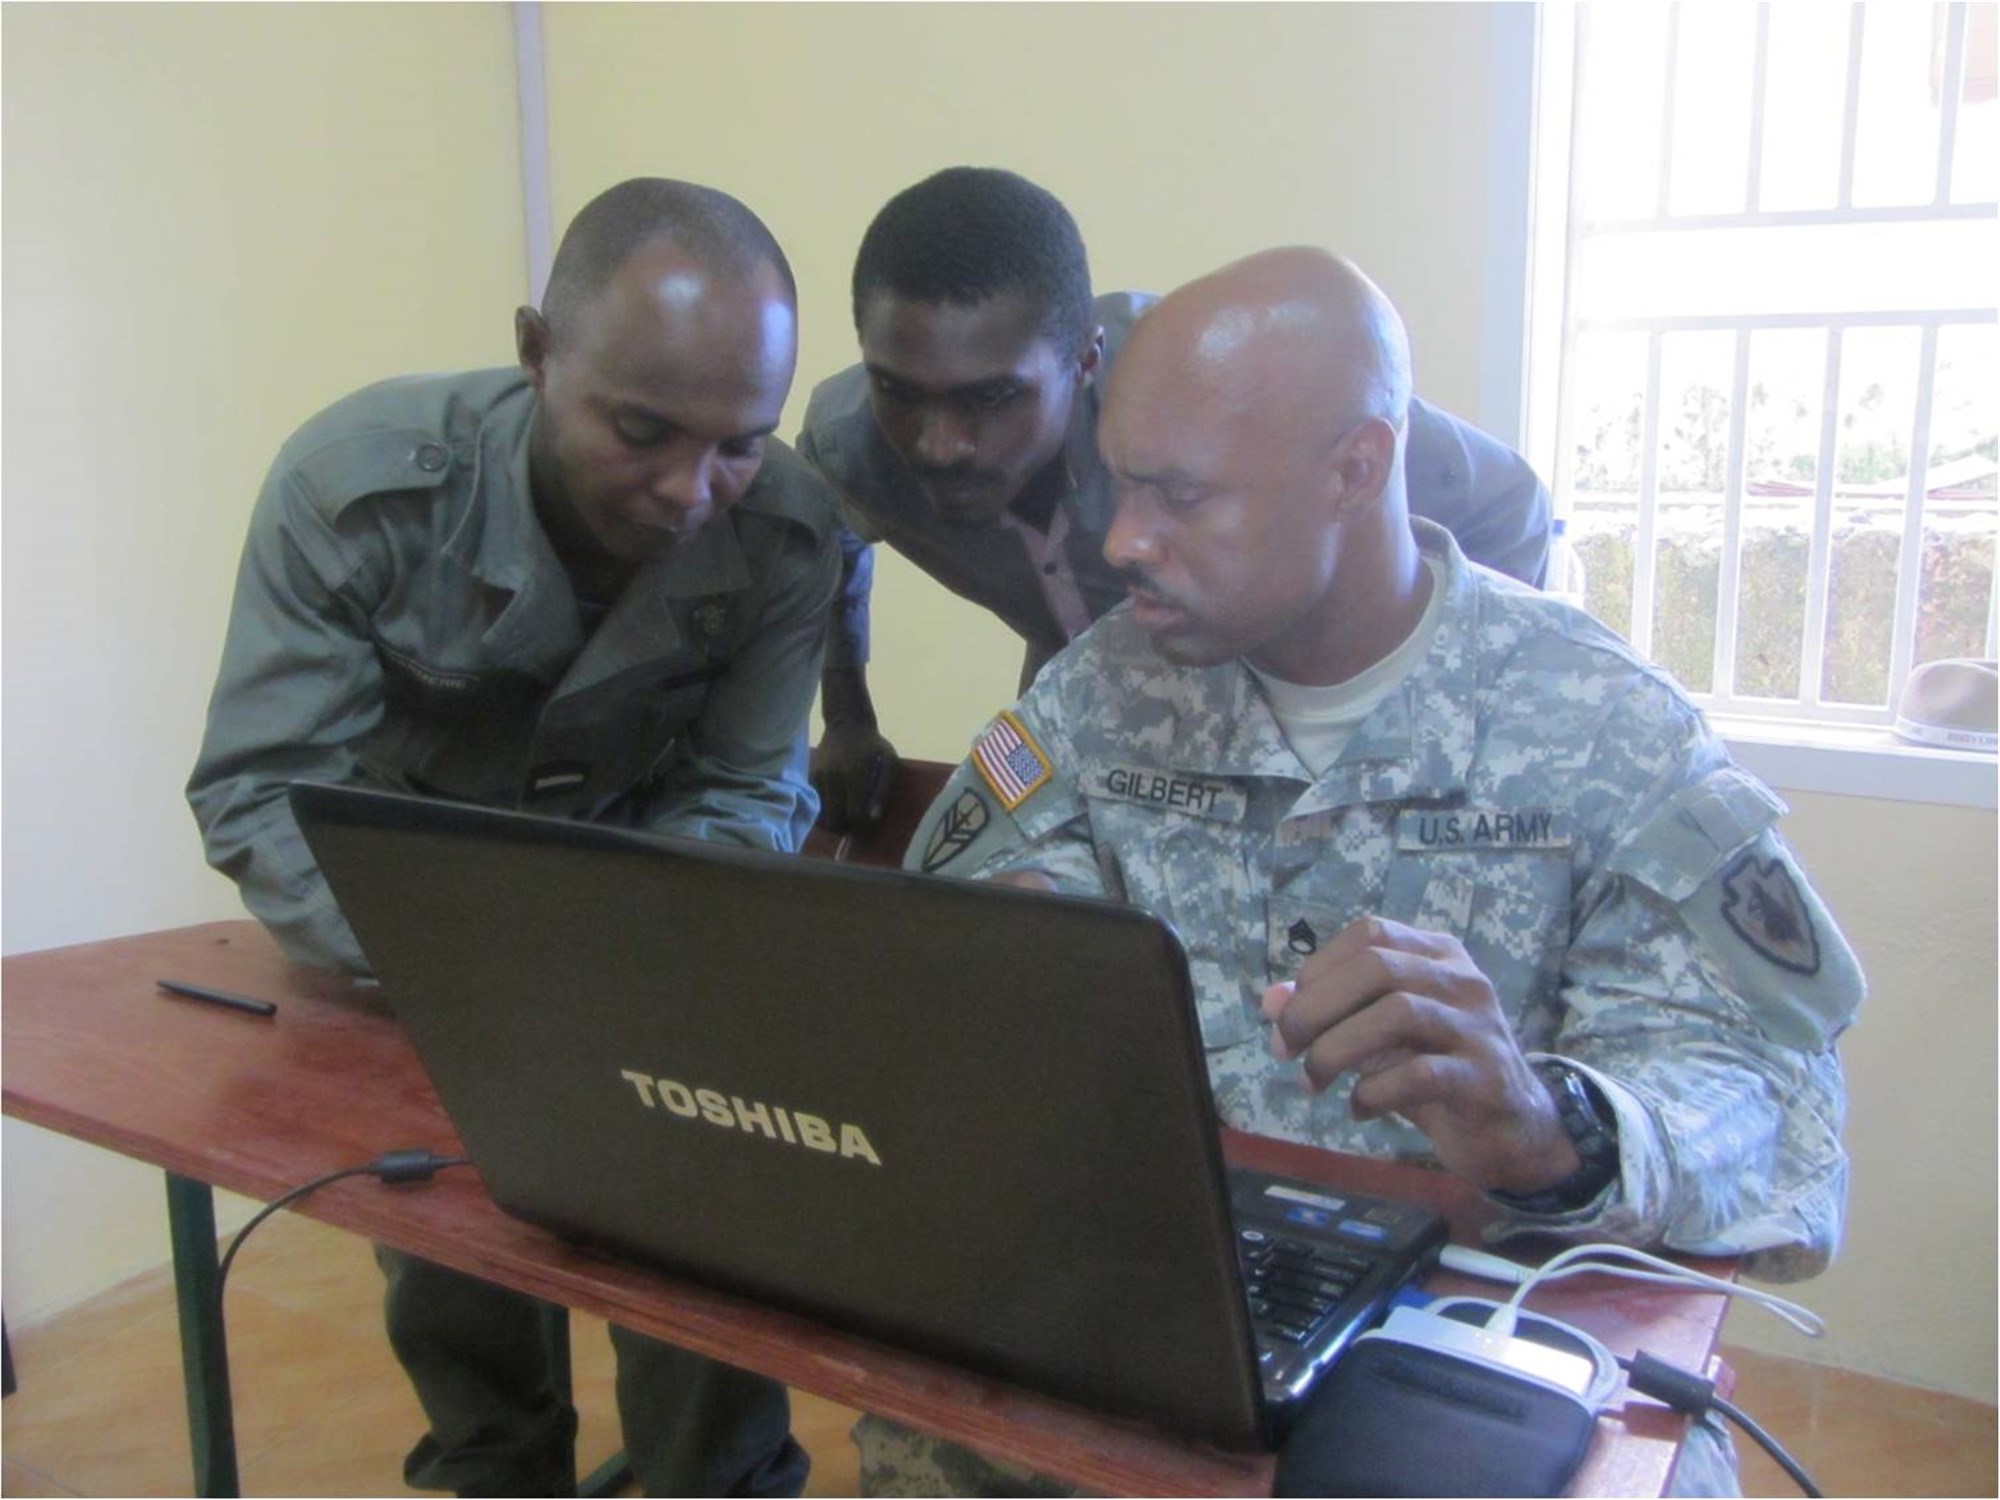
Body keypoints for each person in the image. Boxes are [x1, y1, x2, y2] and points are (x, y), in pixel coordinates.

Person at [876, 248, 1864, 1495]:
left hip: (1478, 1342)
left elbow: (1767, 1102)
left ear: (1354, 470)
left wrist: (1545, 1127)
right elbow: (964, 906)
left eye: (1181, 497)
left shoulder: (1602, 726)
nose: (1123, 539)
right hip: (1163, 1308)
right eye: (1118, 484)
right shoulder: (1100, 695)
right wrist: (1003, 959)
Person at [187, 179, 837, 1497]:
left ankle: (713, 1480)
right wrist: (465, 961)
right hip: (405, 930)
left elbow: (744, 783)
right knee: (442, 1224)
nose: (688, 491)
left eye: (737, 443)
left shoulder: (788, 533)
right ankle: (495, 1465)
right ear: (539, 350)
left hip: (652, 924)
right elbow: (263, 786)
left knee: (699, 1214)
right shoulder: (356, 491)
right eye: (644, 430)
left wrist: (624, 955)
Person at [799, 166, 1553, 835]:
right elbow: (825, 542)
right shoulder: (850, 441)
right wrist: (847, 715)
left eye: (991, 398)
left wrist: (1450, 716)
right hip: (1087, 689)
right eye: (899, 394)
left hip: (1272, 701)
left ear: (1086, 361)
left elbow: (1505, 504)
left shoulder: (1202, 389)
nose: (939, 445)